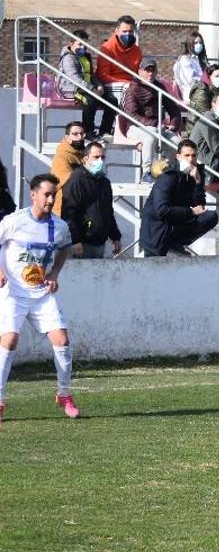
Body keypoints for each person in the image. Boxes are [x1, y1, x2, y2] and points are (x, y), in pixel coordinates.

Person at [0, 174, 80, 422]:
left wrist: (54, 273)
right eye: (46, 194)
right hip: (13, 291)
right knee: (10, 340)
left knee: (62, 339)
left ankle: (64, 395)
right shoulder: (13, 221)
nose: (50, 199)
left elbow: (65, 248)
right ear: (33, 194)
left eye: (54, 195)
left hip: (41, 293)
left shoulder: (60, 226)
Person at [140, 140, 219, 257]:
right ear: (178, 157)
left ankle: (175, 243)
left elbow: (200, 206)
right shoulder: (169, 176)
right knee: (155, 270)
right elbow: (162, 210)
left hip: (176, 224)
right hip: (157, 231)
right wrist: (191, 211)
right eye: (187, 155)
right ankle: (170, 244)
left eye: (194, 155)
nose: (191, 159)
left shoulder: (196, 174)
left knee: (211, 216)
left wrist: (198, 183)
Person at [60, 141, 121, 260]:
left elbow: (108, 211)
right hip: (82, 244)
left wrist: (115, 237)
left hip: (99, 243)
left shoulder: (104, 182)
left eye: (103, 157)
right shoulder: (77, 180)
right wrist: (75, 240)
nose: (100, 161)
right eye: (96, 157)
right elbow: (68, 213)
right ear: (85, 158)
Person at [57, 30, 111, 138]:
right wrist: (92, 89)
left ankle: (104, 132)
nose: (83, 47)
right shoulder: (68, 58)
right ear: (71, 44)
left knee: (111, 101)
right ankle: (88, 132)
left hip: (87, 88)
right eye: (80, 44)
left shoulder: (86, 57)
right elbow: (74, 78)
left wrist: (99, 86)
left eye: (85, 44)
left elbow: (91, 75)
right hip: (71, 90)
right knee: (90, 100)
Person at [94, 15, 142, 101]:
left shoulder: (137, 50)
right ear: (116, 31)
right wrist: (127, 82)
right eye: (124, 31)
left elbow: (138, 73)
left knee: (156, 89)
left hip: (131, 85)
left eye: (130, 31)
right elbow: (103, 76)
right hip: (111, 85)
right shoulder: (107, 48)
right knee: (127, 90)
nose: (128, 34)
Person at [48, 122, 86, 218]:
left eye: (82, 134)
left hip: (79, 209)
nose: (79, 137)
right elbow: (65, 181)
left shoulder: (81, 155)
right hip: (65, 211)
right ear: (67, 137)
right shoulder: (62, 157)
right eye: (75, 134)